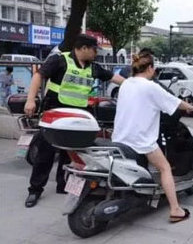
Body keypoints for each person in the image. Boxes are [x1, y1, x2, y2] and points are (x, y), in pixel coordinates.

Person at [23, 34, 125, 208]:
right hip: (55, 112)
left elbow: (115, 78)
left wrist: (136, 85)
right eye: (94, 50)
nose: (96, 54)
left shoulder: (93, 67)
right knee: (45, 153)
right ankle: (35, 190)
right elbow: (38, 76)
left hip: (78, 115)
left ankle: (63, 184)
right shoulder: (60, 60)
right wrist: (30, 99)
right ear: (83, 48)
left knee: (70, 152)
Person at [112, 49, 193, 223]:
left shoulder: (126, 84)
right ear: (149, 68)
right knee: (165, 168)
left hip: (120, 138)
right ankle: (175, 209)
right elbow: (175, 103)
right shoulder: (151, 87)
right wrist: (192, 107)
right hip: (141, 141)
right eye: (154, 68)